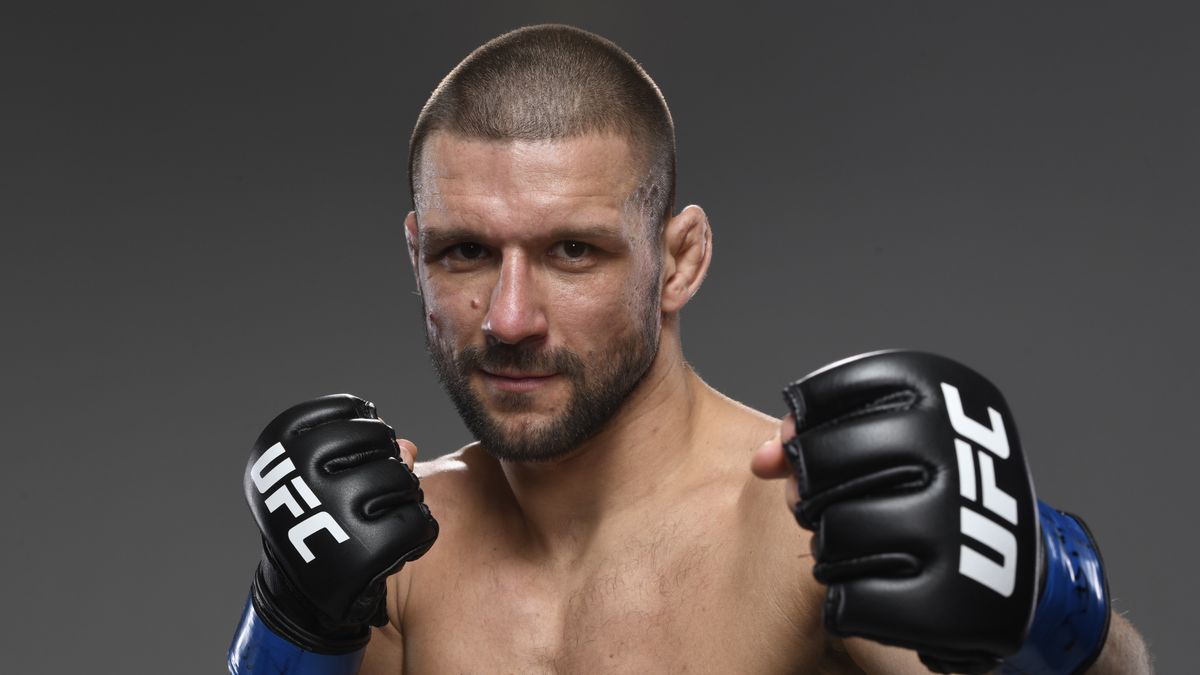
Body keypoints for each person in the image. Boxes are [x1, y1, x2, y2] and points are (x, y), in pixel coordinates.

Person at [228, 24, 1153, 674]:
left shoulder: (805, 533)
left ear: (680, 260)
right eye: (466, 251)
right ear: (414, 255)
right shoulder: (393, 561)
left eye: (573, 251)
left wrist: (1043, 594)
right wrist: (289, 619)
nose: (509, 317)